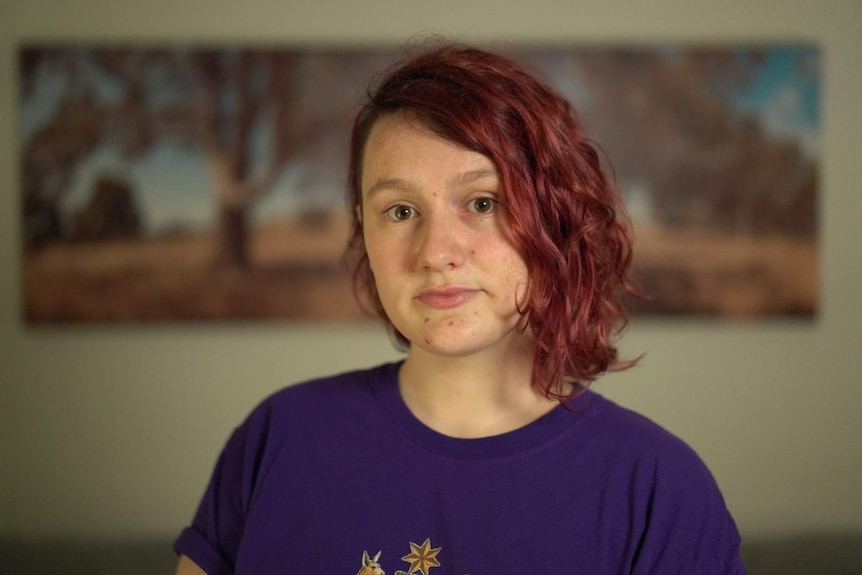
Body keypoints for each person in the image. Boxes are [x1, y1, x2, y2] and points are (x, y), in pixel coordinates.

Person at [173, 43, 747, 574]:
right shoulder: (278, 439)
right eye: (399, 211)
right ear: (363, 233)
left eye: (481, 201)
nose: (436, 253)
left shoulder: (657, 490)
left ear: (553, 220)